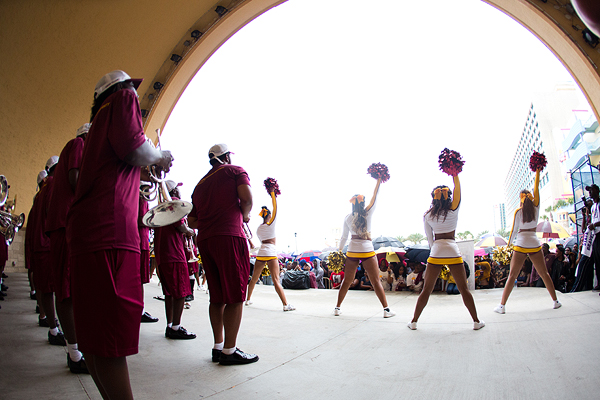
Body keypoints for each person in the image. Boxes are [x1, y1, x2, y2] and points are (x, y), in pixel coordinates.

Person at [66, 70, 173, 400]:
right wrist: (159, 156)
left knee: (95, 340)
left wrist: (147, 167)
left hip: (90, 234)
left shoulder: (99, 122)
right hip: (110, 232)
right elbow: (136, 150)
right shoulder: (122, 99)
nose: (136, 100)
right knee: (111, 341)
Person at [188, 143, 259, 365]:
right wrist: (244, 215)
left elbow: (192, 221)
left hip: (206, 240)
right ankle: (230, 351)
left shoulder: (199, 185)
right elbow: (247, 199)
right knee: (236, 295)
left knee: (217, 296)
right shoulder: (235, 170)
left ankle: (218, 347)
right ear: (227, 157)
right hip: (229, 235)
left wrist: (211, 218)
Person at [409, 174, 484, 330]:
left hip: (436, 250)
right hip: (452, 249)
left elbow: (430, 239)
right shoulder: (453, 209)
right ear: (448, 196)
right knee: (464, 289)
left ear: (433, 198)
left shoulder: (427, 215)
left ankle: (414, 322)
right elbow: (458, 190)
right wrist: (455, 174)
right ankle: (476, 322)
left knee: (426, 290)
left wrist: (434, 252)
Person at [44, 123, 90, 373]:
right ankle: (74, 354)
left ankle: (76, 349)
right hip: (65, 224)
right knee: (66, 291)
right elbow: (76, 179)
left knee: (69, 289)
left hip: (66, 224)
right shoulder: (78, 144)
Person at [493, 167, 561, 314]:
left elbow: (513, 230)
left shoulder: (518, 211)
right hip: (535, 243)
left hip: (521, 244)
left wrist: (508, 246)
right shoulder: (536, 208)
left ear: (521, 198)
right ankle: (555, 301)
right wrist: (537, 172)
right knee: (544, 274)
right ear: (531, 197)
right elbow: (537, 188)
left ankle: (502, 306)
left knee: (512, 275)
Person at [334, 177, 395, 318]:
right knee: (376, 281)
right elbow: (375, 196)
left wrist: (339, 251)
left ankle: (337, 308)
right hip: (367, 250)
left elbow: (343, 237)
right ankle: (386, 310)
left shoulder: (347, 217)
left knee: (346, 281)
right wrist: (378, 181)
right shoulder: (368, 212)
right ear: (363, 203)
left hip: (352, 251)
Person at [154, 180, 196, 339]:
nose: (179, 191)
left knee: (169, 293)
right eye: (177, 189)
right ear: (173, 191)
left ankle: (170, 324)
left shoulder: (159, 208)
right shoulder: (173, 204)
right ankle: (176, 328)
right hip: (174, 254)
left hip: (162, 255)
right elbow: (181, 226)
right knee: (180, 292)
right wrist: (190, 231)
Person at [246, 198, 295, 311]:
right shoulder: (271, 225)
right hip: (271, 252)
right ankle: (285, 304)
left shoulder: (259, 228)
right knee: (276, 279)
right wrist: (273, 195)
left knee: (254, 278)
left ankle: (248, 299)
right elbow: (275, 208)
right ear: (269, 216)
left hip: (261, 252)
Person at [139, 182, 159, 323]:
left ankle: (139, 309)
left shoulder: (142, 199)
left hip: (142, 241)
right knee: (138, 280)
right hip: (139, 242)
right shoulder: (141, 199)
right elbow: (142, 219)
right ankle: (139, 310)